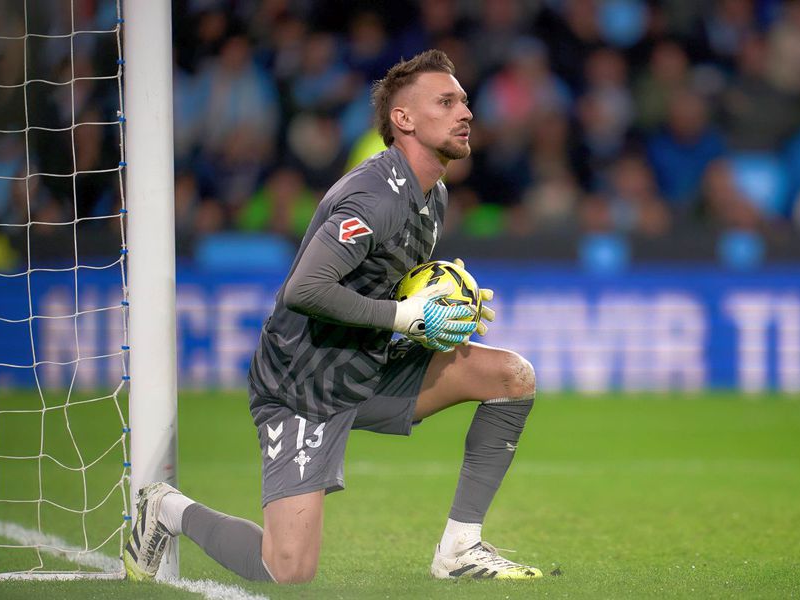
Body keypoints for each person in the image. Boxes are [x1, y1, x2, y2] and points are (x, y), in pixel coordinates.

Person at [124, 49, 541, 584]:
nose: (466, 112)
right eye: (446, 101)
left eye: (463, 100)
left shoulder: (433, 196)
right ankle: (166, 508)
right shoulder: (373, 197)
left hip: (365, 363)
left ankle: (460, 548)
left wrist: (444, 305)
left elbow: (390, 288)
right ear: (404, 119)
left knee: (511, 376)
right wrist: (404, 316)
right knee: (287, 569)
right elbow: (305, 288)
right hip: (305, 385)